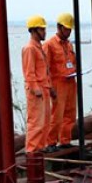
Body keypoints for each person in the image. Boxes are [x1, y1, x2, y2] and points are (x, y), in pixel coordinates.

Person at [43, 13, 77, 151]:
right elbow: (45, 68)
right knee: (57, 114)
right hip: (58, 83)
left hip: (70, 81)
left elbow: (72, 62)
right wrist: (50, 87)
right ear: (59, 27)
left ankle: (65, 140)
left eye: (70, 29)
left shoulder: (69, 45)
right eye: (66, 29)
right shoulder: (49, 45)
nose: (68, 32)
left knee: (70, 113)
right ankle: (50, 142)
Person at [22, 14, 54, 154]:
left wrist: (50, 87)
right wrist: (36, 90)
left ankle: (40, 147)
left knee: (45, 121)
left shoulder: (39, 47)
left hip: (44, 88)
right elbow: (29, 72)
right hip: (37, 91)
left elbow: (45, 70)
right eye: (41, 29)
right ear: (34, 30)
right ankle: (32, 150)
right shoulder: (30, 49)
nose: (44, 32)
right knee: (36, 122)